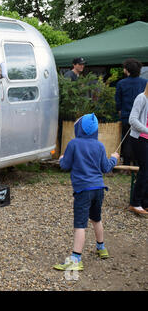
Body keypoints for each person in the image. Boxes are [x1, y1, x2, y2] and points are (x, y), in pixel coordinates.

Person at [53, 113, 119, 272]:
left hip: (83, 191)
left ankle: (76, 259)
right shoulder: (99, 146)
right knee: (96, 219)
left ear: (79, 128)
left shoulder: (74, 144)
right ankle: (101, 247)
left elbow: (65, 165)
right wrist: (114, 158)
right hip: (99, 189)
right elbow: (106, 167)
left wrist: (62, 158)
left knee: (80, 225)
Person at [115, 58, 148, 165]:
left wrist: (120, 111)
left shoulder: (121, 83)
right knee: (140, 139)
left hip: (126, 116)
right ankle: (138, 163)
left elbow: (118, 101)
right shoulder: (145, 82)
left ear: (126, 70)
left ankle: (126, 164)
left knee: (126, 140)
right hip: (142, 117)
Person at [127, 83, 148, 215]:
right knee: (145, 169)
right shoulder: (142, 98)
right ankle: (135, 203)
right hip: (139, 138)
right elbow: (132, 120)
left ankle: (145, 203)